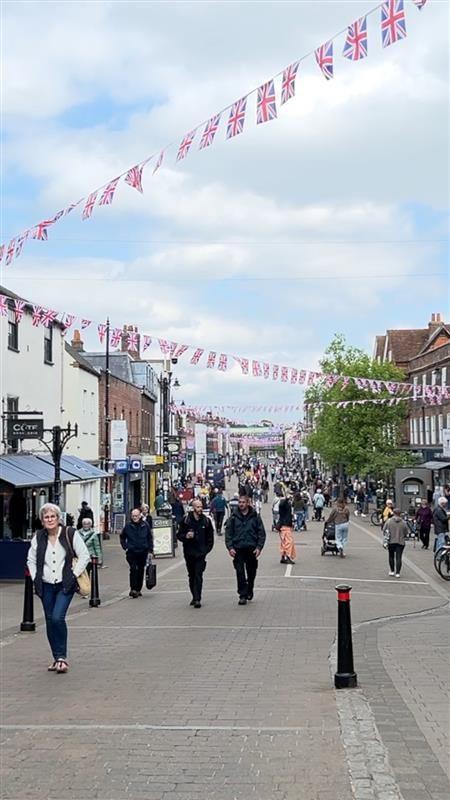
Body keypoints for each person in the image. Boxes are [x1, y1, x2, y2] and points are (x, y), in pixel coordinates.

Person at [27, 503, 90, 674]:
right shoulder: (38, 537)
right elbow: (31, 560)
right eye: (46, 517)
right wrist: (35, 577)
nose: (50, 520)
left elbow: (84, 556)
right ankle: (57, 658)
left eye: (52, 516)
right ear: (42, 521)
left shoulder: (70, 533)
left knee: (57, 618)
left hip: (65, 584)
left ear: (58, 518)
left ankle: (62, 657)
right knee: (49, 620)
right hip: (45, 585)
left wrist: (73, 575)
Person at [225, 493, 266, 605]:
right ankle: (242, 595)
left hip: (251, 548)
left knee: (251, 572)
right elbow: (228, 533)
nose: (241, 504)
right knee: (240, 572)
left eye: (243, 502)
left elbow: (261, 533)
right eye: (240, 502)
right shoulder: (233, 517)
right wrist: (230, 547)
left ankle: (250, 587)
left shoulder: (255, 516)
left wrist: (259, 547)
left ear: (248, 503)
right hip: (238, 549)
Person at [177, 498, 214, 608]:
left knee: (198, 574)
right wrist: (186, 536)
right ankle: (194, 595)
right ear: (193, 508)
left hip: (200, 554)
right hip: (189, 553)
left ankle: (197, 598)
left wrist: (206, 550)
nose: (200, 509)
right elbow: (179, 535)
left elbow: (210, 538)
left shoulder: (206, 521)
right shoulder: (186, 520)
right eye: (198, 507)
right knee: (191, 575)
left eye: (201, 506)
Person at [120, 508, 154, 598]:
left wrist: (150, 550)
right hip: (131, 551)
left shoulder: (145, 525)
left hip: (143, 551)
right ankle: (133, 589)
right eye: (133, 516)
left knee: (140, 570)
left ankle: (138, 589)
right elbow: (122, 537)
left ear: (140, 516)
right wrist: (125, 547)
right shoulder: (128, 526)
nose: (134, 517)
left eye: (136, 516)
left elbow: (150, 538)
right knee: (133, 569)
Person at [383, 508, 408, 577]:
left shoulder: (389, 521)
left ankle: (392, 571)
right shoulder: (403, 523)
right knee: (399, 557)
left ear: (393, 513)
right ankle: (398, 573)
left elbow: (384, 530)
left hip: (391, 541)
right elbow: (406, 533)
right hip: (400, 542)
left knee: (391, 556)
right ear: (400, 514)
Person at [277, 495, 296, 565]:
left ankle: (283, 556)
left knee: (284, 542)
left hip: (284, 525)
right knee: (289, 542)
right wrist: (286, 499)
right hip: (285, 525)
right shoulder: (283, 505)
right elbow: (282, 504)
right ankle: (287, 556)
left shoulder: (285, 506)